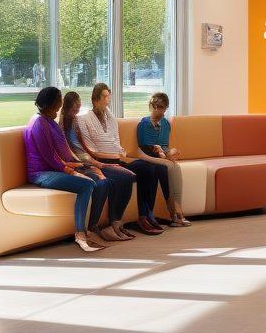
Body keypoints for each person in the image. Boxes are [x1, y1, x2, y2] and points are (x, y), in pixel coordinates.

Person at [23, 86, 111, 253]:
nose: (61, 103)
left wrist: (78, 165)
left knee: (98, 180)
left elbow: (59, 152)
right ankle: (80, 233)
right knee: (86, 184)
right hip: (42, 173)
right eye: (59, 100)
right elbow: (50, 157)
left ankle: (90, 228)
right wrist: (72, 170)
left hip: (53, 169)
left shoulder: (47, 120)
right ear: (52, 103)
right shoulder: (39, 123)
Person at [76, 82, 170, 235]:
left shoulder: (110, 117)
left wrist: (121, 153)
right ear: (95, 99)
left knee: (148, 167)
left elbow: (116, 142)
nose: (108, 100)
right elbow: (91, 150)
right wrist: (114, 155)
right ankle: (115, 221)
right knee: (127, 177)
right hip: (102, 164)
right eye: (105, 97)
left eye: (109, 96)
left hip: (117, 161)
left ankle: (145, 215)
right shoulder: (85, 119)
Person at [61, 90, 136, 243]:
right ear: (67, 107)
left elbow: (85, 147)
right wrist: (93, 163)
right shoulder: (61, 125)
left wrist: (95, 159)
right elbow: (68, 151)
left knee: (128, 176)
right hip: (81, 164)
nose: (76, 112)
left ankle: (115, 221)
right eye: (74, 108)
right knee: (111, 181)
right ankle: (97, 225)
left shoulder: (76, 121)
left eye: (78, 108)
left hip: (90, 160)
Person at [136, 92, 191, 227]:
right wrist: (163, 153)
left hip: (161, 157)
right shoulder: (144, 124)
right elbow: (145, 147)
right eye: (155, 106)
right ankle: (175, 213)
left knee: (174, 166)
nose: (157, 110)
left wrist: (169, 153)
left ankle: (177, 211)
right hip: (147, 157)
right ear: (151, 106)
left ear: (166, 108)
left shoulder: (166, 124)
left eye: (160, 107)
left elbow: (164, 146)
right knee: (166, 167)